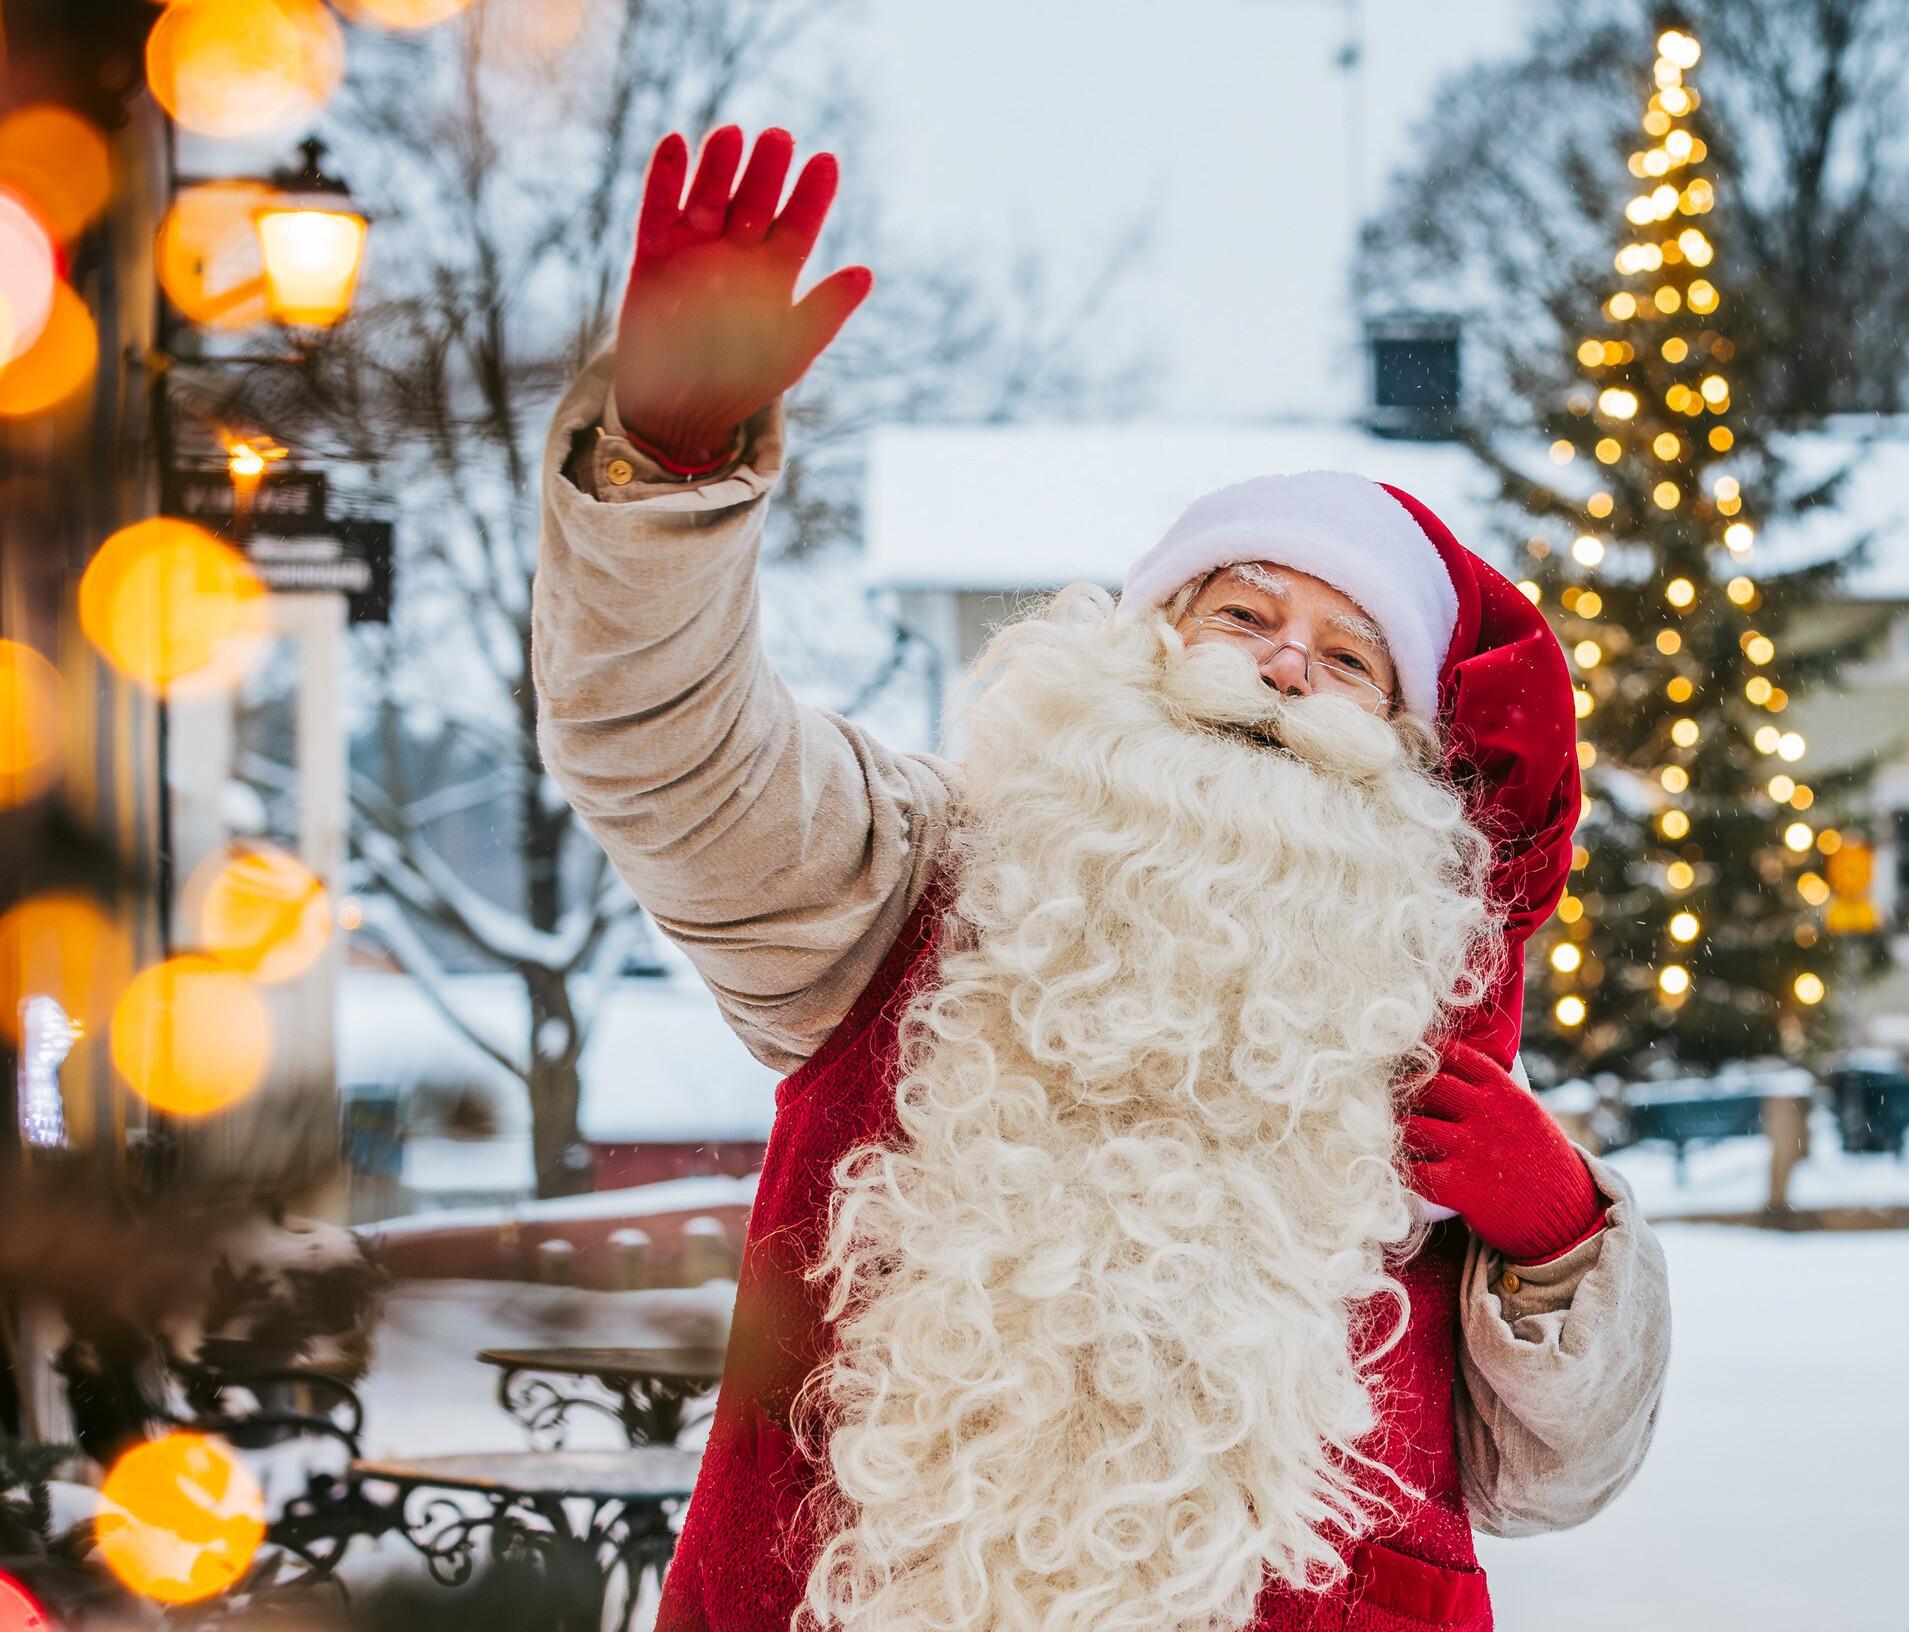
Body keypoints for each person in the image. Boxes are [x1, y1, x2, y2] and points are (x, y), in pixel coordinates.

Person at [532, 125, 1672, 1632]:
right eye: (1241, 611)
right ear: (1137, 646)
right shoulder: (904, 894)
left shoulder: (1416, 1046)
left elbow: (1556, 1480)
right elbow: (662, 752)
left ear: (1403, 755)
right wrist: (659, 479)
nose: (1280, 665)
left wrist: (1559, 1244)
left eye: (1347, 660)